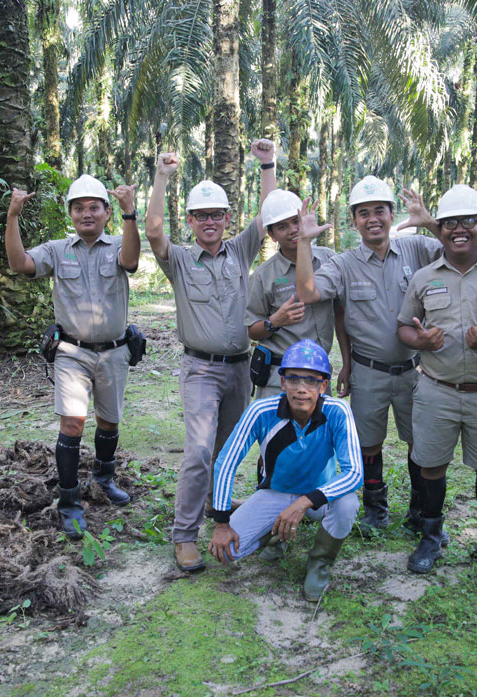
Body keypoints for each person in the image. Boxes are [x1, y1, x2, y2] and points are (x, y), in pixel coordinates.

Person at [144, 139, 277, 572]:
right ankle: (184, 535)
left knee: (226, 451)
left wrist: (267, 165)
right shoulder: (181, 260)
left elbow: (267, 214)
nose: (209, 222)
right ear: (191, 220)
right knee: (199, 451)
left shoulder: (240, 250)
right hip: (200, 369)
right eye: (201, 215)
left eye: (216, 214)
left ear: (226, 218)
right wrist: (162, 176)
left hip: (241, 369)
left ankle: (216, 506)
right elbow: (153, 233)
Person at [294, 177, 443, 538]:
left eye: (380, 211)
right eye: (364, 213)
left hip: (414, 370)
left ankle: (420, 510)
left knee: (419, 444)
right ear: (353, 221)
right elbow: (308, 291)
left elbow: (461, 253)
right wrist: (303, 241)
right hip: (368, 372)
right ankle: (376, 507)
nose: (373, 219)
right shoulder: (344, 265)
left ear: (392, 215)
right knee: (367, 443)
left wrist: (431, 223)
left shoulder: (418, 249)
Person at [396, 185, 477, 574]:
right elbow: (403, 328)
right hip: (436, 390)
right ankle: (431, 537)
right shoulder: (423, 277)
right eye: (449, 222)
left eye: (469, 220)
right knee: (432, 466)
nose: (459, 229)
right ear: (441, 229)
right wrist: (421, 339)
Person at [5, 174, 140, 539]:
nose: (86, 214)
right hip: (71, 353)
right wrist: (13, 215)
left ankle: (104, 479)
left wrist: (132, 215)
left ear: (106, 212)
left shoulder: (118, 244)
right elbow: (20, 264)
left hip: (113, 352)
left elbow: (131, 261)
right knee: (72, 424)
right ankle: (69, 503)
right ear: (70, 214)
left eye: (93, 207)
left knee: (109, 422)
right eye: (78, 208)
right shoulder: (57, 249)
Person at [207, 340, 362, 602]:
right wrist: (221, 523)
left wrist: (304, 502)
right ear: (282, 383)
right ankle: (275, 534)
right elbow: (226, 463)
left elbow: (354, 473)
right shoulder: (261, 410)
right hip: (276, 492)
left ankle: (319, 563)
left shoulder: (337, 412)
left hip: (318, 496)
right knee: (228, 551)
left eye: (311, 381)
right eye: (294, 379)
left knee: (347, 504)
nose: (301, 389)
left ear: (323, 385)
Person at [245, 189, 346, 401]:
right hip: (278, 375)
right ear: (271, 235)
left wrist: (348, 362)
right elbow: (251, 330)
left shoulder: (328, 260)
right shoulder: (264, 276)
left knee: (317, 433)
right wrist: (275, 321)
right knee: (276, 433)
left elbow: (340, 314)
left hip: (318, 373)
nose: (293, 230)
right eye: (282, 226)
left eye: (295, 221)